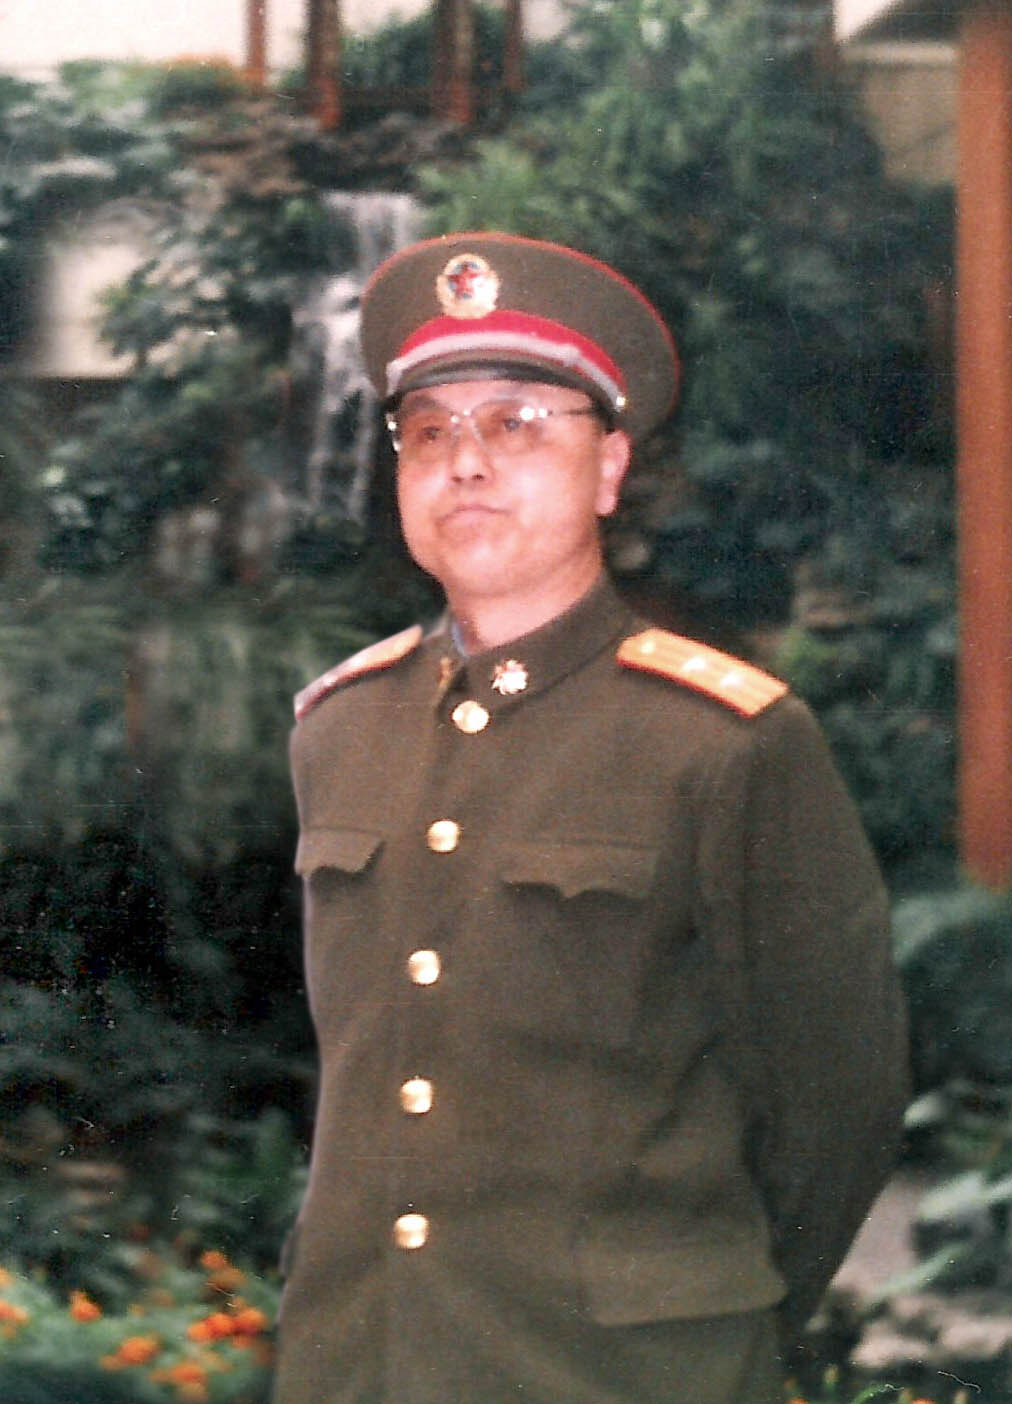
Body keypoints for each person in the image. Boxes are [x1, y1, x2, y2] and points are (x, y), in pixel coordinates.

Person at [273, 231, 908, 1404]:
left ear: (608, 468)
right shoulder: (339, 729)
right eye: (429, 432)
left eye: (517, 424)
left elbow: (836, 1108)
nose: (466, 462)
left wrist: (699, 1316)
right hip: (363, 1362)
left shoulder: (725, 743)